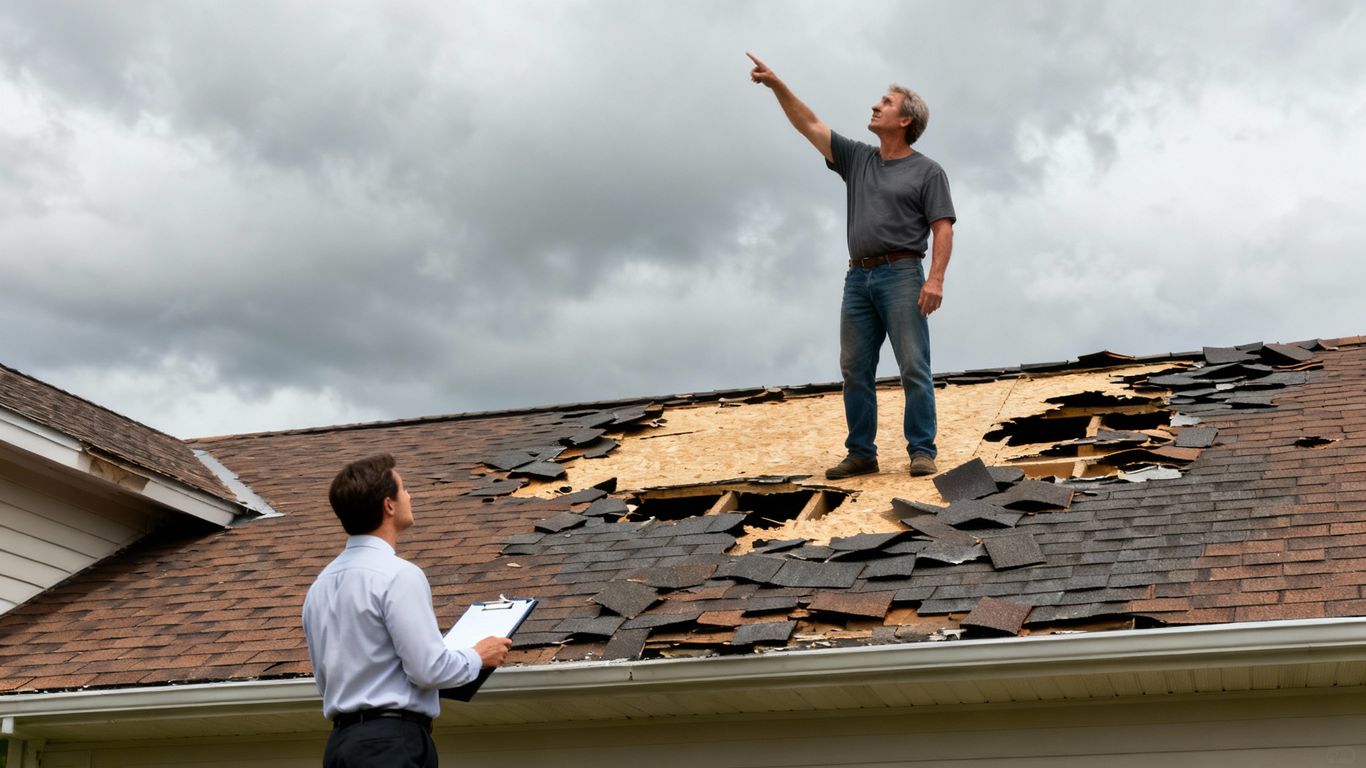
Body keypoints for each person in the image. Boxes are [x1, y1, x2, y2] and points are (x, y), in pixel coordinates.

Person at [747, 52, 956, 479]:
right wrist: (776, 85)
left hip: (902, 274)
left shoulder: (927, 171)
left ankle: (921, 449)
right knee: (854, 368)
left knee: (913, 365)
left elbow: (943, 228)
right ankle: (862, 452)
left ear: (904, 121)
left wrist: (935, 279)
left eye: (886, 103)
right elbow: (809, 124)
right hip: (857, 277)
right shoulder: (858, 159)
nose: (875, 106)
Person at [303, 453, 512, 768]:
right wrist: (478, 655)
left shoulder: (319, 586)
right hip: (391, 744)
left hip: (341, 746)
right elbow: (428, 669)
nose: (410, 496)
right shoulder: (398, 575)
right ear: (389, 505)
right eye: (404, 489)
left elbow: (328, 679)